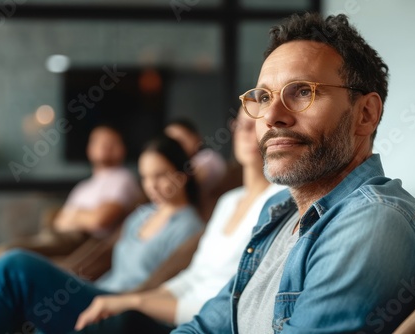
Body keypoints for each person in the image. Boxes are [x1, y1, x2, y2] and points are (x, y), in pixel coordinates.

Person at [172, 13, 415, 333]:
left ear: (365, 114)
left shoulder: (372, 221)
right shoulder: (279, 213)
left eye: (301, 92)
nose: (271, 116)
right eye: (265, 96)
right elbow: (208, 325)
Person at [69, 109, 290, 333]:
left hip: (207, 321)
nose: (246, 131)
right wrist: (139, 300)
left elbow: (238, 303)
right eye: (240, 123)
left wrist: (135, 302)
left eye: (257, 122)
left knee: (36, 277)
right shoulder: (227, 201)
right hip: (170, 311)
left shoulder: (282, 201)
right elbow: (193, 276)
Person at [0, 135, 204, 333]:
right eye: (146, 177)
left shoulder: (189, 227)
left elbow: (166, 287)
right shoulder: (141, 214)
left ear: (181, 175)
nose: (151, 185)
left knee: (14, 265)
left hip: (124, 306)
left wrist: (125, 300)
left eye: (160, 175)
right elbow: (103, 254)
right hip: (98, 291)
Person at [0, 124, 144, 309]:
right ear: (89, 148)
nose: (105, 146)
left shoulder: (122, 179)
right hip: (58, 236)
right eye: (99, 142)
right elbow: (59, 220)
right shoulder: (84, 186)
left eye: (111, 142)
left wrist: (74, 215)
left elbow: (99, 220)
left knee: (8, 252)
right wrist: (79, 216)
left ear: (122, 149)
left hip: (79, 242)